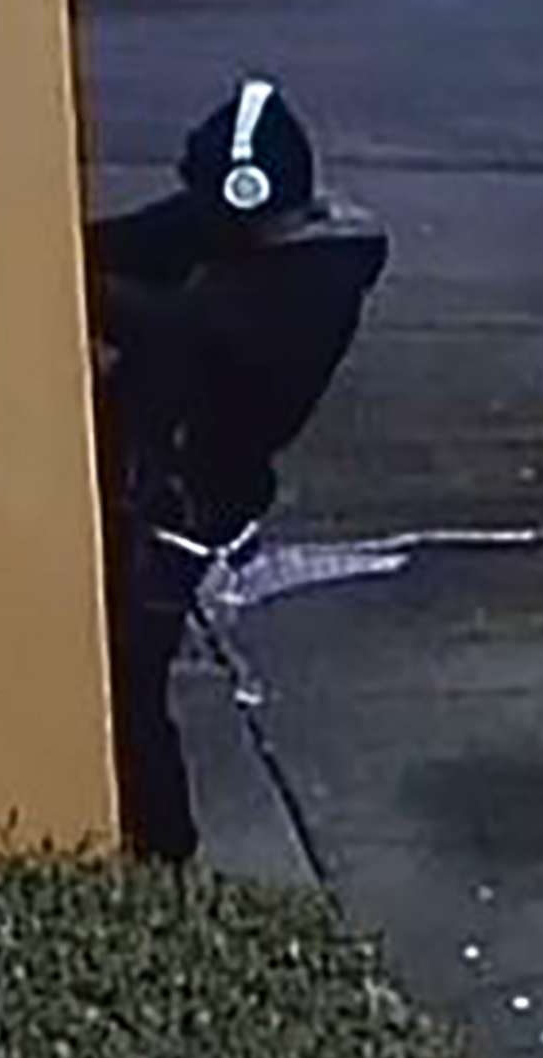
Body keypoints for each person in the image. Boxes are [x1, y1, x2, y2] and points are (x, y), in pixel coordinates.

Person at [86, 77, 388, 860]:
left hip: (190, 500)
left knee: (128, 673)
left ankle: (162, 855)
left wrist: (45, 275)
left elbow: (168, 327)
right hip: (156, 466)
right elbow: (143, 240)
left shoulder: (305, 292)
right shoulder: (248, 229)